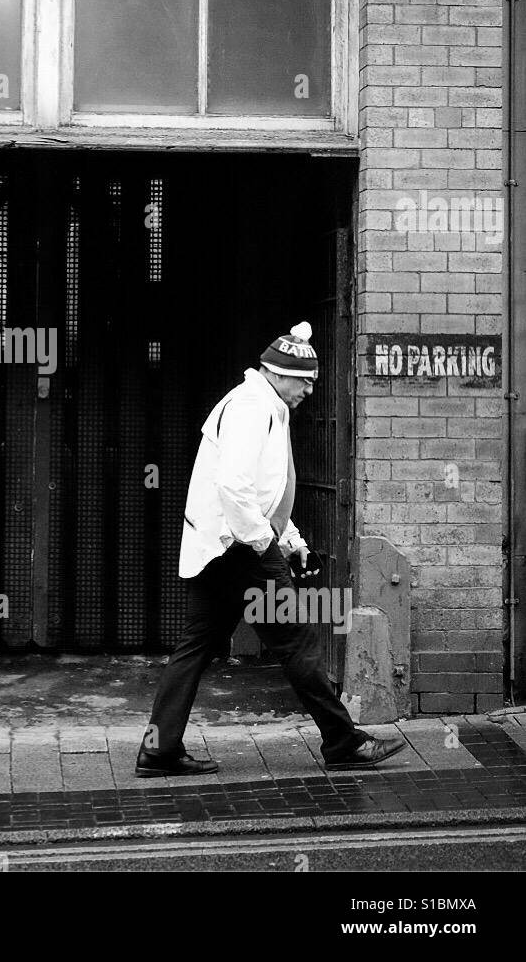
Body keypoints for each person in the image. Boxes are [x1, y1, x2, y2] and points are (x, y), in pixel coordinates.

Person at [136, 322, 406, 776]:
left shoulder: (263, 405)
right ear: (280, 373)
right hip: (239, 551)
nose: (309, 390)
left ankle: (159, 749)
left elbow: (266, 492)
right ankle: (343, 742)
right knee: (299, 643)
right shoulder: (252, 409)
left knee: (194, 648)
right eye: (305, 381)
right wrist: (265, 546)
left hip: (220, 549)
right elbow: (234, 488)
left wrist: (291, 539)